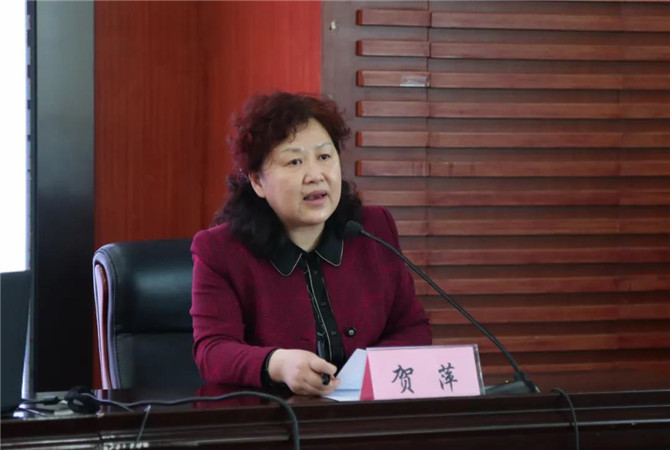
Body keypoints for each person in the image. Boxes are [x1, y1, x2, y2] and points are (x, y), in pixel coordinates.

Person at [190, 92, 431, 396]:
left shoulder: (373, 229)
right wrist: (278, 365)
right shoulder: (221, 250)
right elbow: (212, 351)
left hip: (368, 412)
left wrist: (366, 374)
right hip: (277, 416)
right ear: (258, 181)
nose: (315, 175)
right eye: (294, 161)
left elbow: (412, 328)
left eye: (324, 157)